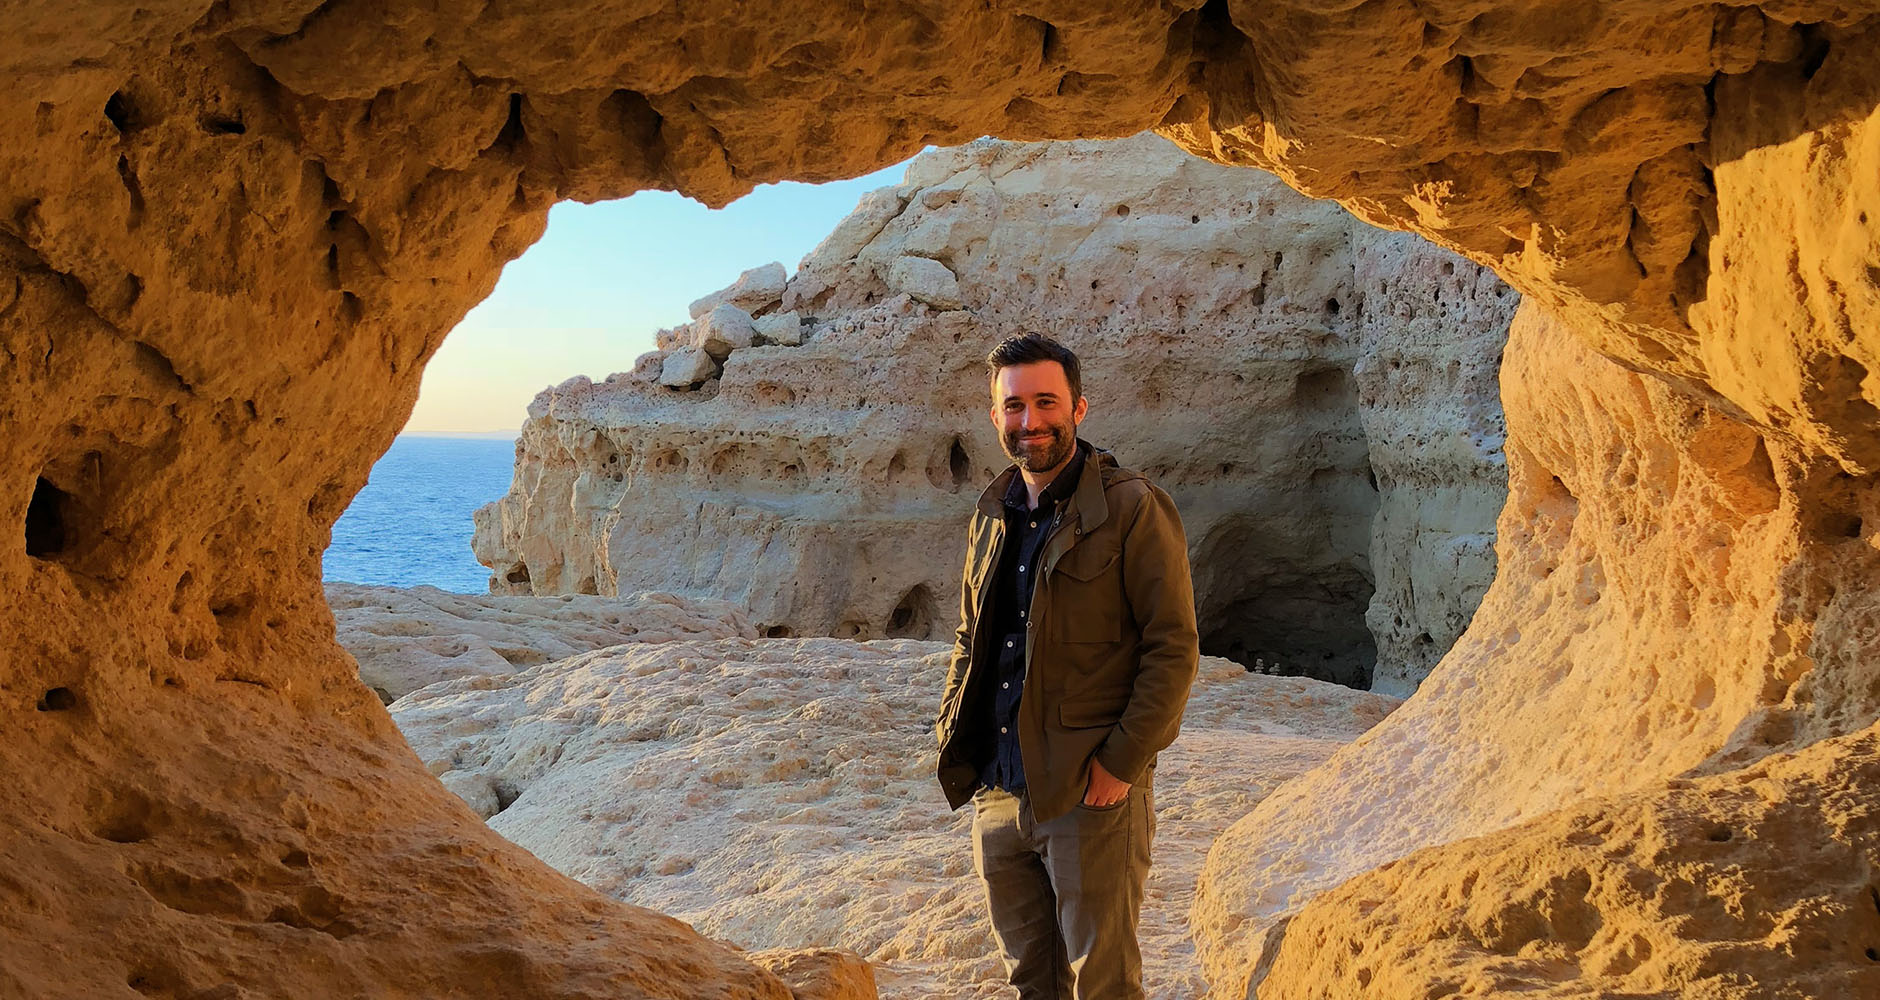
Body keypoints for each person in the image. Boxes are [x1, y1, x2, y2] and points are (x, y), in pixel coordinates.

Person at [934, 333, 1200, 999]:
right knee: (1030, 980)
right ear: (995, 417)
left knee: (1100, 982)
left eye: (1046, 402)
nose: (1031, 422)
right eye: (1014, 406)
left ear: (1079, 407)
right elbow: (971, 637)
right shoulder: (992, 514)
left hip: (1089, 794)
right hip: (999, 791)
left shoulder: (1132, 507)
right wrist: (952, 731)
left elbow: (1172, 647)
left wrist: (1121, 765)